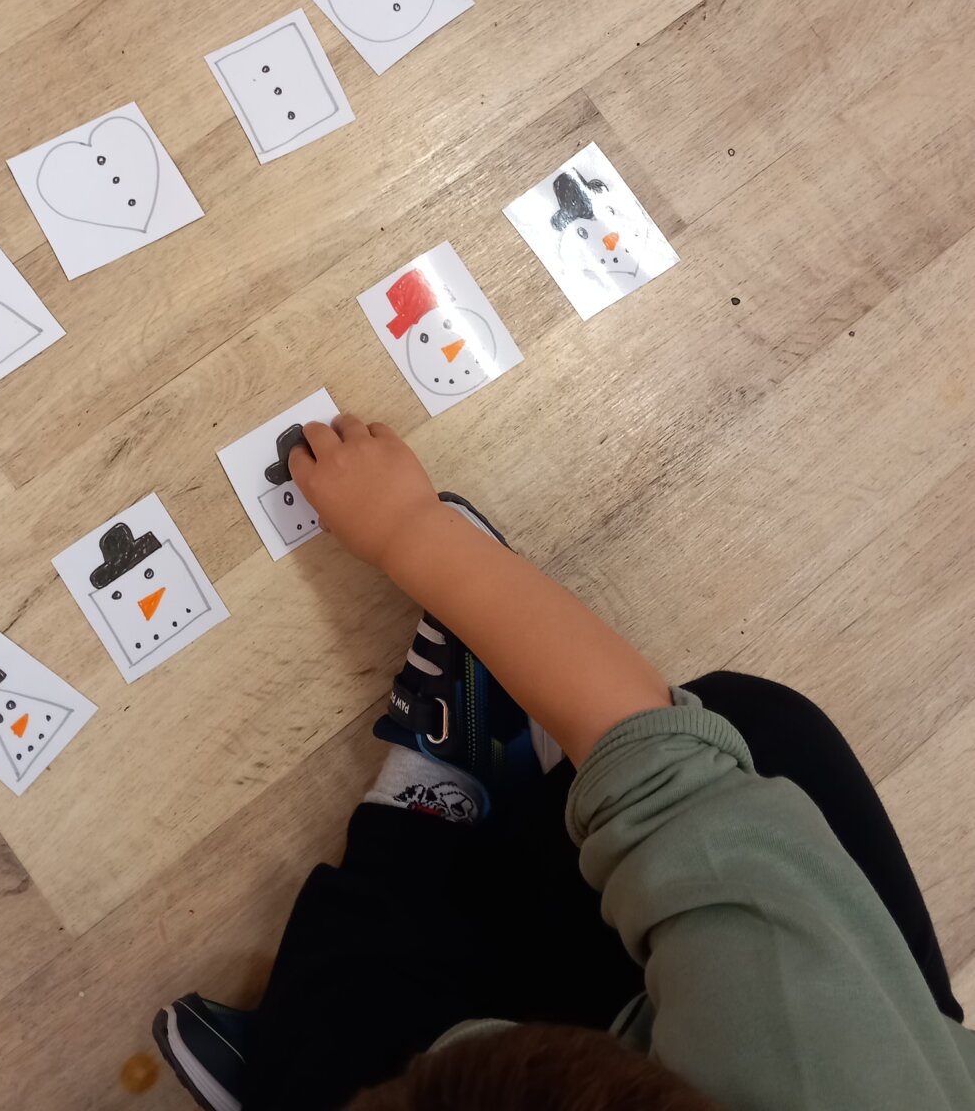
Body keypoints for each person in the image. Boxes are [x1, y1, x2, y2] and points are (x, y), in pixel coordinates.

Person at [154, 415, 974, 1111]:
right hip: (855, 1041)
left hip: (585, 1021)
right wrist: (407, 527)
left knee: (327, 1027)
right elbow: (651, 754)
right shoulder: (806, 1044)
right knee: (755, 736)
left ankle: (411, 845)